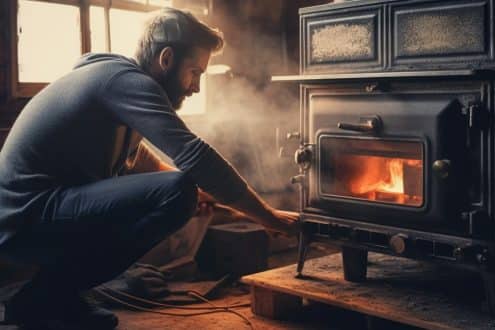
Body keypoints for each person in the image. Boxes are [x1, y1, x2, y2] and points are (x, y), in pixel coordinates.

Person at [0, 7, 299, 330]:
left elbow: (139, 158)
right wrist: (270, 217)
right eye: (195, 72)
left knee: (182, 190)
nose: (196, 86)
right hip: (25, 217)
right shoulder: (124, 81)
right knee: (178, 193)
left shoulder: (117, 82)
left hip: (37, 212)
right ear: (166, 59)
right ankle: (41, 296)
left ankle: (58, 297)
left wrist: (204, 194)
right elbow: (195, 156)